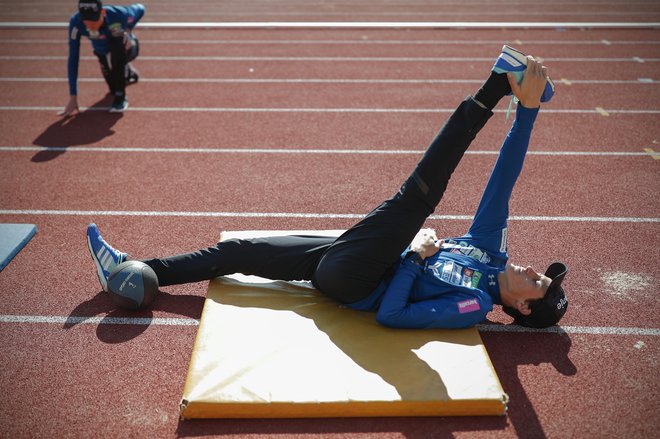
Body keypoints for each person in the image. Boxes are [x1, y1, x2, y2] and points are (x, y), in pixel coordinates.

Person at [86, 46, 568, 329]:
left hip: (358, 281)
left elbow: (393, 317)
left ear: (522, 306)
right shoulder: (491, 252)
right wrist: (528, 116)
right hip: (356, 252)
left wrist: (418, 258)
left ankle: (494, 85)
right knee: (241, 250)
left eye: (537, 281)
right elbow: (503, 181)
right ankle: (138, 273)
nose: (531, 268)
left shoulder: (476, 303)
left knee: (416, 201)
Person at [63, 1, 145, 115]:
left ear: (103, 12)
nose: (90, 25)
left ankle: (121, 97)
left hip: (127, 47)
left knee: (118, 41)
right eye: (86, 20)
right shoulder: (76, 22)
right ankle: (127, 73)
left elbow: (141, 8)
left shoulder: (118, 13)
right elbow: (73, 56)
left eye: (94, 19)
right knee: (113, 88)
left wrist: (128, 29)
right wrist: (73, 96)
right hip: (102, 53)